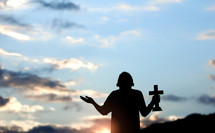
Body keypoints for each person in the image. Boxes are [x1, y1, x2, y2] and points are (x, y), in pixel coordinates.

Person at [80, 72, 160, 133]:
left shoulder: (115, 95)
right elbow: (144, 113)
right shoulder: (136, 94)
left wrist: (93, 102)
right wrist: (153, 102)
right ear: (131, 84)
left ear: (118, 84)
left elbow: (103, 111)